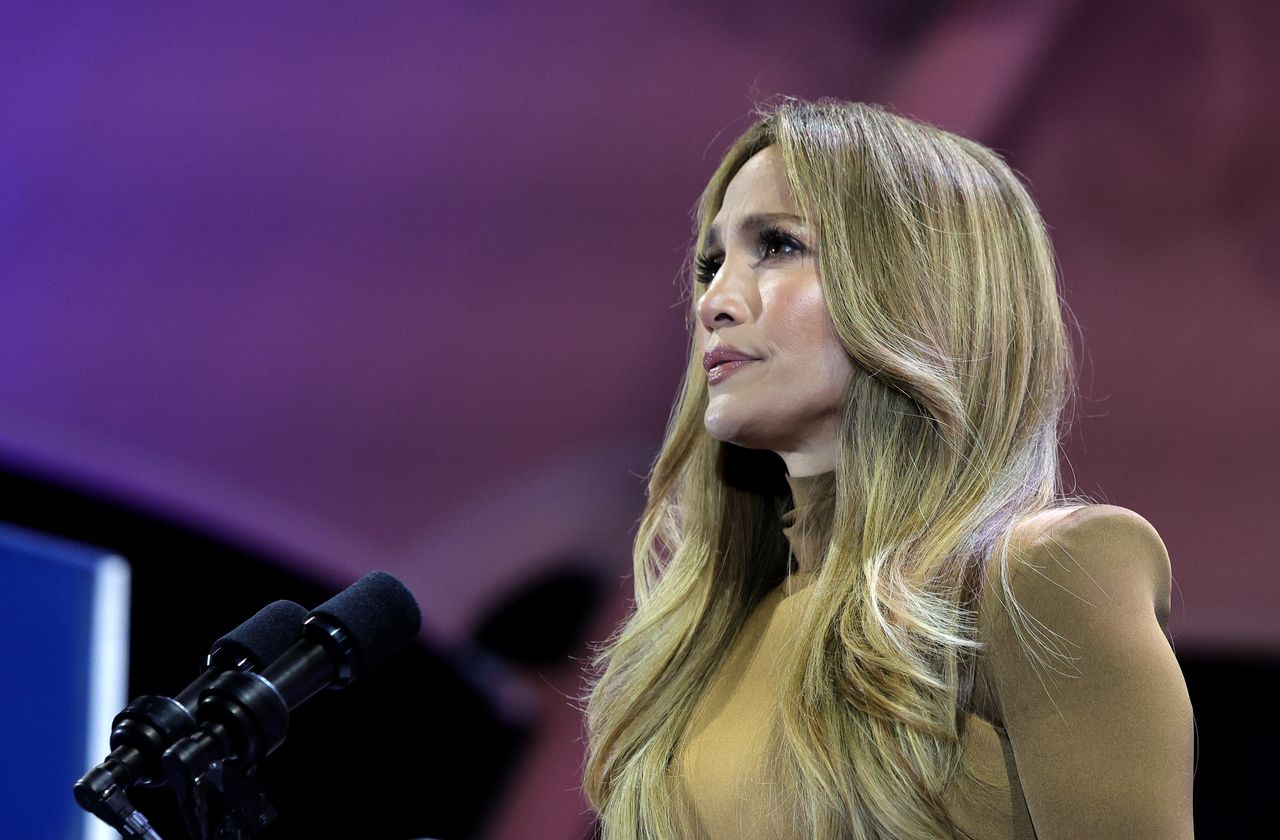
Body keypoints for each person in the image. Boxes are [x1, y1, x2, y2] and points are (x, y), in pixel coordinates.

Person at [581, 99, 1194, 839]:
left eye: (777, 245)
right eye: (712, 264)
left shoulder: (1041, 577)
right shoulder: (697, 643)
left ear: (920, 283)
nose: (715, 300)